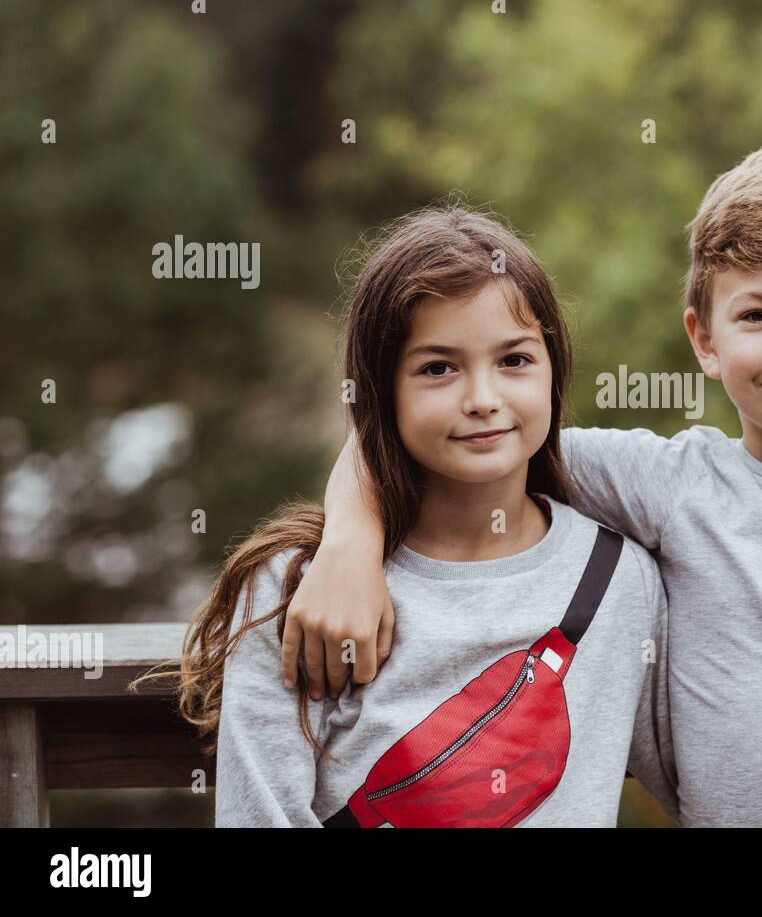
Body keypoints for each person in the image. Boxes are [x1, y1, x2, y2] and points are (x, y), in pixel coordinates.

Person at [290, 143, 762, 827]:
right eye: (758, 314)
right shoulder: (671, 483)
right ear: (704, 338)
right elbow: (441, 435)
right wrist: (350, 548)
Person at [137, 206, 676, 827]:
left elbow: (705, 775)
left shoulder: (622, 581)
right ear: (380, 392)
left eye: (515, 360)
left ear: (555, 373)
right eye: (438, 368)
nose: (482, 399)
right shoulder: (298, 591)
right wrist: (348, 545)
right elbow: (260, 815)